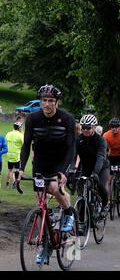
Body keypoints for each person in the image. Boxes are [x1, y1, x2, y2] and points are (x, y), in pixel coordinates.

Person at [17, 85, 76, 254]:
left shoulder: (67, 118)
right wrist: (21, 169)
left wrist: (64, 172)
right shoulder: (33, 119)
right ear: (41, 102)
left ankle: (69, 213)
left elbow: (71, 147)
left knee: (55, 188)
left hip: (61, 161)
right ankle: (47, 237)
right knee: (40, 198)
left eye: (51, 101)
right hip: (41, 162)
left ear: (57, 102)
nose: (47, 104)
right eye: (44, 100)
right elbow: (26, 146)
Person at [75, 114, 110, 215]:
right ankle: (81, 222)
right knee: (81, 191)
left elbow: (101, 157)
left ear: (94, 128)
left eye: (88, 128)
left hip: (101, 168)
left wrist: (95, 172)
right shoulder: (78, 140)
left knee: (100, 185)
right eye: (83, 127)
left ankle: (104, 204)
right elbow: (72, 155)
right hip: (86, 167)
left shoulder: (100, 141)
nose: (85, 130)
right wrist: (71, 170)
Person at [103, 118, 120, 195]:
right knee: (109, 179)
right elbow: (104, 149)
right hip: (111, 157)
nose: (114, 129)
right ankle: (109, 200)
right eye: (112, 127)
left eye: (116, 127)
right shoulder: (106, 135)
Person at [5, 122, 24, 188]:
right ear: (19, 128)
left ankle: (7, 183)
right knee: (17, 170)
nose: (22, 128)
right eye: (21, 127)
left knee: (9, 169)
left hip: (9, 154)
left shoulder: (8, 133)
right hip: (16, 155)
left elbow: (6, 141)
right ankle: (15, 184)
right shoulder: (20, 135)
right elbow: (24, 144)